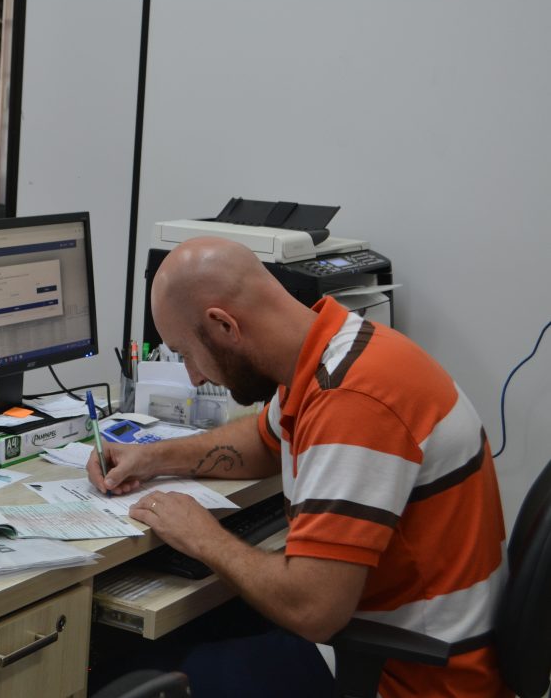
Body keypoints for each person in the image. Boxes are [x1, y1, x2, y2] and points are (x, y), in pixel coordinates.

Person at [87, 237, 509, 697]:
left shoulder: (353, 401)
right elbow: (264, 441)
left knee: (128, 678)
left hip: (412, 680)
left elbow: (312, 610)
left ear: (225, 325)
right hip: (395, 642)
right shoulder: (336, 350)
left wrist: (201, 536)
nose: (194, 376)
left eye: (185, 353)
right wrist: (154, 456)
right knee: (177, 640)